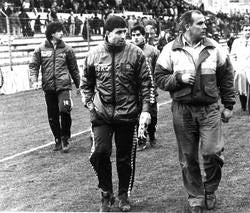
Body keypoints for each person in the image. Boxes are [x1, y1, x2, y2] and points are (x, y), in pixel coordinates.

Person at [155, 10, 235, 213]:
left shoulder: (215, 47)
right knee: (188, 157)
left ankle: (210, 189)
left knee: (212, 152)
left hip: (209, 109)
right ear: (186, 27)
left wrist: (229, 105)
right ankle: (196, 196)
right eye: (200, 23)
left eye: (205, 23)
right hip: (182, 111)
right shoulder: (170, 49)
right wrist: (177, 80)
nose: (205, 26)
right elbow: (159, 77)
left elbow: (226, 76)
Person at [80, 15, 153, 212]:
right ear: (107, 34)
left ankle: (122, 194)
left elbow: (147, 83)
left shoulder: (136, 53)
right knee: (100, 153)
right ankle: (106, 193)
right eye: (118, 32)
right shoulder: (94, 54)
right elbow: (86, 82)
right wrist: (88, 102)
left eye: (124, 31)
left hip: (127, 113)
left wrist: (145, 109)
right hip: (101, 114)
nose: (123, 35)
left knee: (124, 158)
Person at [29, 22, 80, 152]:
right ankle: (57, 139)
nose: (62, 33)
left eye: (62, 31)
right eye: (59, 31)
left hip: (63, 86)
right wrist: (34, 80)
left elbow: (74, 69)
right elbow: (34, 66)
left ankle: (66, 138)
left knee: (64, 110)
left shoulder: (68, 49)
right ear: (52, 33)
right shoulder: (40, 49)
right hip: (48, 87)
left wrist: (79, 85)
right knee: (52, 115)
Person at [131, 25, 160, 151]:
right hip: (134, 89)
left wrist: (154, 86)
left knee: (152, 115)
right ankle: (141, 140)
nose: (136, 38)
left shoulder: (153, 51)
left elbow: (158, 71)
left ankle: (152, 134)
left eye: (138, 35)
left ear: (144, 35)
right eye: (133, 35)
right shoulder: (129, 51)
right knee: (137, 114)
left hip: (150, 88)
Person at [230, 24, 250, 116]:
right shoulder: (236, 42)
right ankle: (243, 106)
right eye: (245, 30)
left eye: (249, 30)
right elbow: (232, 56)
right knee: (242, 88)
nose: (247, 32)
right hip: (240, 68)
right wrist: (236, 67)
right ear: (242, 31)